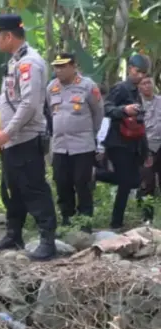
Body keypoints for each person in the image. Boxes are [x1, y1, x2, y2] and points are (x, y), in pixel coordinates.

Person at [0, 14, 57, 260]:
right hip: (13, 141)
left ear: (8, 36)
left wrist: (7, 131)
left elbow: (30, 104)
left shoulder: (30, 63)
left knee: (34, 189)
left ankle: (48, 241)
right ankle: (13, 234)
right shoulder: (15, 61)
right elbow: (11, 99)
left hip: (25, 138)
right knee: (13, 190)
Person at [46, 52, 103, 232]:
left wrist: (90, 133)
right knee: (62, 183)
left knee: (83, 183)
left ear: (73, 66)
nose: (59, 70)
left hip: (82, 145)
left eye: (63, 66)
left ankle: (85, 223)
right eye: (56, 66)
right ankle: (67, 220)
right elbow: (49, 112)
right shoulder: (51, 87)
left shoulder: (87, 86)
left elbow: (98, 113)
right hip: (60, 146)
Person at [97, 55, 152, 228]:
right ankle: (116, 223)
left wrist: (145, 150)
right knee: (126, 181)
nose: (141, 76)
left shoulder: (139, 92)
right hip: (118, 142)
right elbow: (106, 108)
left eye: (144, 73)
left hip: (134, 143)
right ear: (129, 69)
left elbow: (141, 123)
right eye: (138, 72)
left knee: (134, 181)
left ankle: (96, 174)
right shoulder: (120, 88)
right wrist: (124, 110)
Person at [139, 75, 161, 214]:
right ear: (139, 86)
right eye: (143, 83)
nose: (147, 86)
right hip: (146, 147)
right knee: (148, 183)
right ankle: (147, 217)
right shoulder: (136, 104)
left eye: (149, 82)